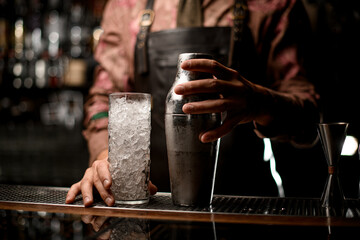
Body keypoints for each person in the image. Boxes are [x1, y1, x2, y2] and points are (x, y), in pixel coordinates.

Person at [66, 0, 321, 207]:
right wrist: (106, 159)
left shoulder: (274, 4)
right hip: (150, 205)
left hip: (245, 205)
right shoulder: (126, 5)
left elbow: (310, 121)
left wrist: (260, 101)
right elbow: (102, 102)